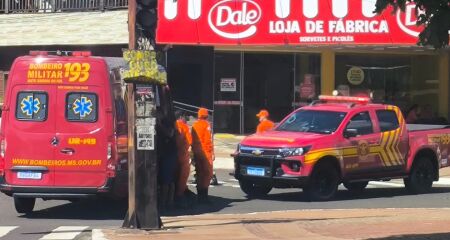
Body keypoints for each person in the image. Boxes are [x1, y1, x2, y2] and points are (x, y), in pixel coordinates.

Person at [191, 107, 214, 204]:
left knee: (199, 173)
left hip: (196, 152)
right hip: (205, 152)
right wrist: (212, 153)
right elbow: (208, 140)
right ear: (206, 115)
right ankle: (204, 196)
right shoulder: (206, 125)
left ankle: (200, 194)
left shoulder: (194, 125)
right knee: (207, 174)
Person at [174, 110, 193, 207]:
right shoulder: (184, 127)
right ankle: (180, 196)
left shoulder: (173, 125)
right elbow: (190, 141)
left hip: (173, 155)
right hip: (183, 155)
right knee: (183, 176)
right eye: (186, 117)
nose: (187, 119)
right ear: (181, 117)